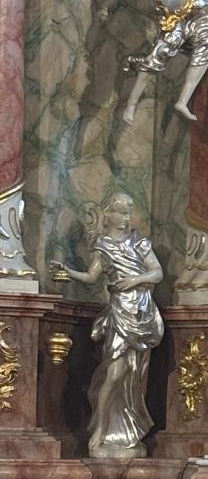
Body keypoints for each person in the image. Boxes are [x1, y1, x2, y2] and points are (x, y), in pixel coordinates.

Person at [50, 193, 164, 457]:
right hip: (119, 314)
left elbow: (157, 273)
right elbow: (92, 277)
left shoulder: (139, 243)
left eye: (128, 213)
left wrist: (135, 280)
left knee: (134, 375)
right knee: (114, 373)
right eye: (121, 213)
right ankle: (100, 430)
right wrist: (67, 272)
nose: (126, 218)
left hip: (141, 314)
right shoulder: (103, 246)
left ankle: (126, 431)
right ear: (109, 214)